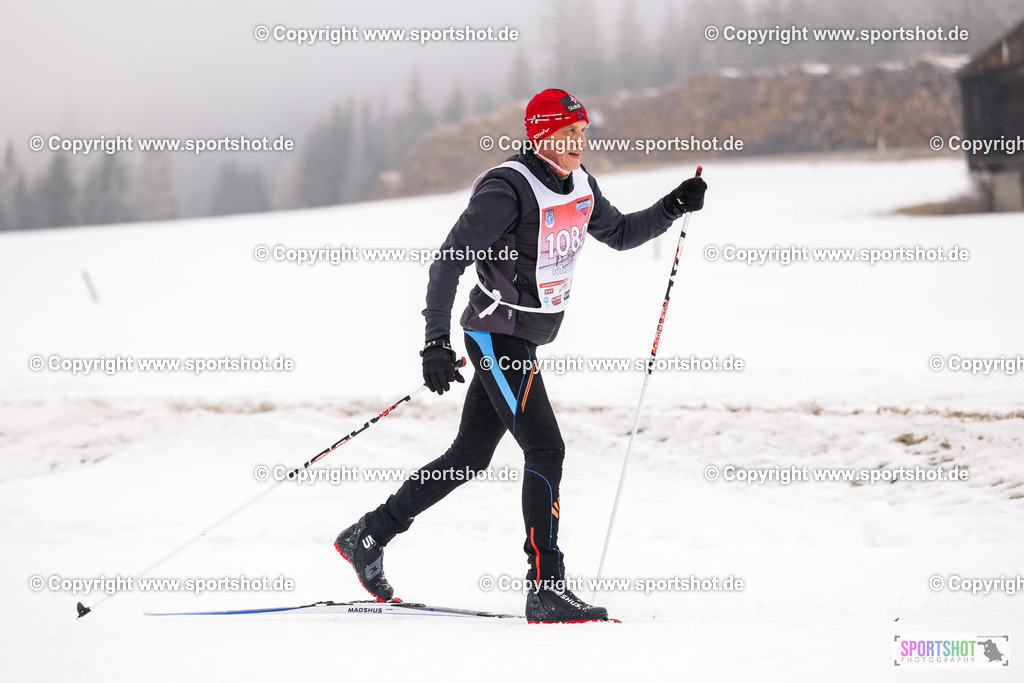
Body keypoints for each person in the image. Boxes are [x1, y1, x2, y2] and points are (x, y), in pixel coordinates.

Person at [335, 88, 707, 623]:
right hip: (494, 335)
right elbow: (448, 262)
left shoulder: (580, 185)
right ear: (540, 136)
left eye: (581, 134)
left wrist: (673, 205)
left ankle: (368, 535)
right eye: (565, 135)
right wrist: (435, 342)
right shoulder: (507, 190)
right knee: (546, 448)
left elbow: (621, 233)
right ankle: (546, 585)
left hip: (523, 336)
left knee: (468, 456)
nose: (577, 145)